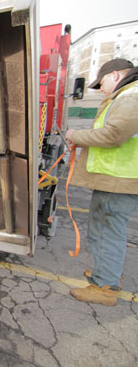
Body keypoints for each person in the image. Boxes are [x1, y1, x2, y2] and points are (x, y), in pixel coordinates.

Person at [65, 58, 138, 306]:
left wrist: (76, 135)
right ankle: (106, 274)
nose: (101, 89)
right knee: (105, 230)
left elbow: (114, 134)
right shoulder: (127, 96)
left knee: (106, 232)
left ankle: (106, 286)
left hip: (120, 180)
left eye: (102, 83)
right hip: (116, 179)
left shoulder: (130, 96)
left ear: (115, 75)